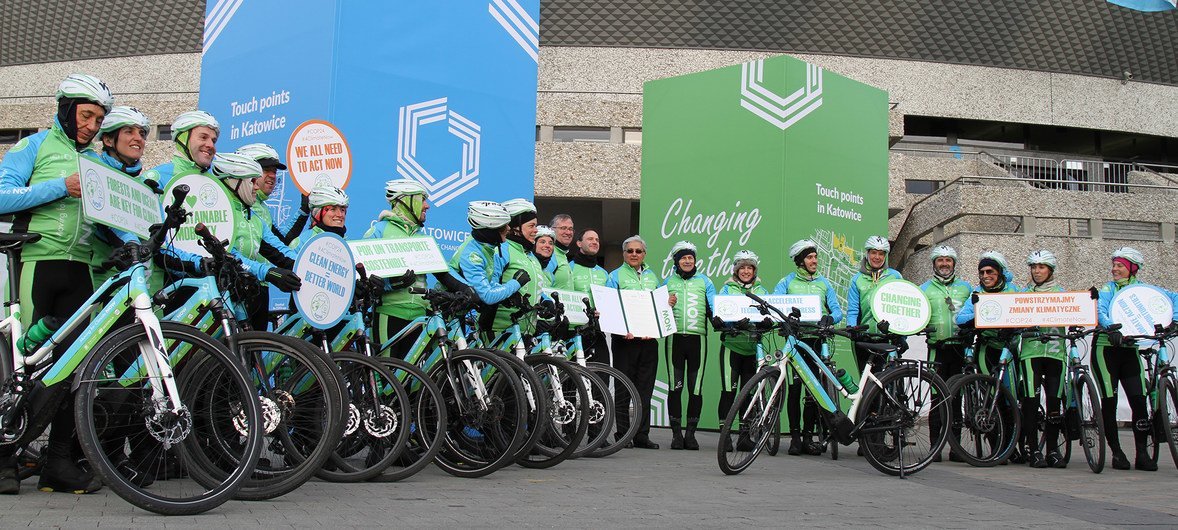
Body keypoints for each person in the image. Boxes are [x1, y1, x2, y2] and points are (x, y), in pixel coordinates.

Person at [0, 73, 114, 495]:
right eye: (85, 115)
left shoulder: (99, 162)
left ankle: (59, 461)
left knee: (77, 368)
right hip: (36, 261)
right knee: (26, 363)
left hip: (80, 269)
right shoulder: (34, 146)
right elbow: (1, 196)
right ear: (66, 110)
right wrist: (59, 187)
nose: (91, 126)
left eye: (98, 119)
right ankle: (4, 459)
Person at [1094, 247, 1163, 471]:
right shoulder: (1107, 288)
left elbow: (1170, 300)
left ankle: (1142, 453)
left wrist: (1173, 320)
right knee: (1110, 400)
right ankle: (1116, 452)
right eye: (1113, 265)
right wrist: (1109, 327)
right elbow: (1101, 309)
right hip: (1106, 348)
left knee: (1138, 401)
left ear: (1133, 268)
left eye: (1120, 265)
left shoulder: (1143, 291)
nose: (1115, 269)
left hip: (1130, 349)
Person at [774, 239, 843, 456]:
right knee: (794, 390)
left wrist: (829, 318)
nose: (814, 261)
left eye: (815, 257)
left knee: (813, 392)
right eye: (810, 257)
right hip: (795, 341)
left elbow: (838, 311)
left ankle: (807, 436)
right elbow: (776, 305)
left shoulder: (824, 284)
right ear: (800, 261)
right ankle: (794, 438)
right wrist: (784, 321)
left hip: (816, 340)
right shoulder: (786, 282)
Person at [955, 250, 1023, 462]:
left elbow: (1025, 314)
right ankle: (997, 447)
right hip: (986, 350)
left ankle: (1015, 447)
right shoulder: (977, 293)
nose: (985, 275)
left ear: (1000, 272)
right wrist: (982, 314)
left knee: (1009, 399)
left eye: (990, 271)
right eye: (982, 272)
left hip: (1008, 349)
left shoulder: (1013, 291)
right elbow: (961, 317)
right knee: (989, 401)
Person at [606, 235, 663, 449]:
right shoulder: (615, 276)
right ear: (624, 254)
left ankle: (641, 435)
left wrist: (667, 304)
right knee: (623, 388)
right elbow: (611, 307)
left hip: (648, 341)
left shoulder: (652, 277)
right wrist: (622, 331)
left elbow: (658, 307)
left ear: (644, 254)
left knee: (644, 390)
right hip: (625, 340)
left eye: (638, 251)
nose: (634, 254)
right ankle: (623, 434)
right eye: (630, 251)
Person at [662, 241, 716, 450]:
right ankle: (676, 435)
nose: (687, 261)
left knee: (695, 389)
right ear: (676, 261)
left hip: (697, 340)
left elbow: (713, 307)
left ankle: (691, 435)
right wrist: (665, 303)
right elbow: (657, 308)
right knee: (675, 387)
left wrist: (723, 321)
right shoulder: (667, 282)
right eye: (683, 258)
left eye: (690, 258)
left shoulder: (705, 282)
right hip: (674, 339)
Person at [919, 245, 971, 462]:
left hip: (959, 349)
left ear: (954, 263)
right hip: (936, 349)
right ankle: (935, 447)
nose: (944, 264)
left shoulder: (966, 288)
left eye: (948, 260)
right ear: (934, 264)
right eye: (940, 260)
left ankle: (956, 448)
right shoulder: (924, 289)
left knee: (956, 398)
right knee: (936, 398)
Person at [89, 106, 150, 290]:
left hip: (133, 277)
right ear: (108, 139)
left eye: (142, 133)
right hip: (97, 275)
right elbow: (109, 220)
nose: (138, 138)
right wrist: (132, 242)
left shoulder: (143, 185)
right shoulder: (95, 169)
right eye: (129, 131)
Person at [715, 250, 769, 452]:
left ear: (754, 270)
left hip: (753, 349)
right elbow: (720, 314)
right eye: (742, 268)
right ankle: (725, 436)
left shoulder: (762, 291)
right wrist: (731, 322)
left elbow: (768, 313)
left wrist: (766, 321)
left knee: (749, 394)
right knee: (729, 392)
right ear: (736, 270)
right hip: (732, 347)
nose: (746, 271)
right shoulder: (727, 290)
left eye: (750, 267)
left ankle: (745, 437)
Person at [448, 201, 526, 337]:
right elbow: (488, 296)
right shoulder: (473, 254)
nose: (508, 228)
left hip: (459, 312)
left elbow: (492, 285)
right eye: (503, 226)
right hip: (447, 314)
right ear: (491, 229)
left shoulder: (487, 248)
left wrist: (509, 295)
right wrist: (515, 283)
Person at [1020, 250, 1066, 469]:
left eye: (1041, 267)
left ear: (1050, 270)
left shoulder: (1062, 293)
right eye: (1034, 267)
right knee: (1030, 401)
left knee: (1054, 403)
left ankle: (1053, 449)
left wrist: (1090, 301)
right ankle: (1034, 450)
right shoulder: (1022, 294)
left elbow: (1078, 312)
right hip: (1031, 353)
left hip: (1056, 352)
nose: (1037, 271)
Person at [489, 199, 546, 338]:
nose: (536, 230)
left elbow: (535, 289)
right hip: (499, 330)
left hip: (526, 332)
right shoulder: (501, 250)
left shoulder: (531, 256)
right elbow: (489, 286)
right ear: (515, 227)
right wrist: (509, 295)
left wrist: (546, 301)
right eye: (531, 226)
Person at [846, 236, 903, 373]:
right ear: (867, 253)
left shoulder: (895, 276)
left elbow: (902, 309)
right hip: (865, 339)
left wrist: (900, 335)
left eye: (881, 253)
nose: (877, 257)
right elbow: (853, 310)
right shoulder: (857, 279)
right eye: (873, 252)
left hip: (888, 339)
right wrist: (853, 328)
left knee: (890, 384)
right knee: (867, 385)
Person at [236, 143, 308, 245]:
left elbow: (281, 241)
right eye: (266, 169)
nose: (273, 175)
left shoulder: (262, 207)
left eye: (274, 171)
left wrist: (304, 210)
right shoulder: (236, 204)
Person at [567, 228, 610, 363]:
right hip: (574, 330)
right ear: (579, 243)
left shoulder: (604, 273)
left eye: (597, 240)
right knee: (573, 378)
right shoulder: (569, 268)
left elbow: (610, 302)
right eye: (590, 239)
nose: (595, 242)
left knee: (602, 375)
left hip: (597, 329)